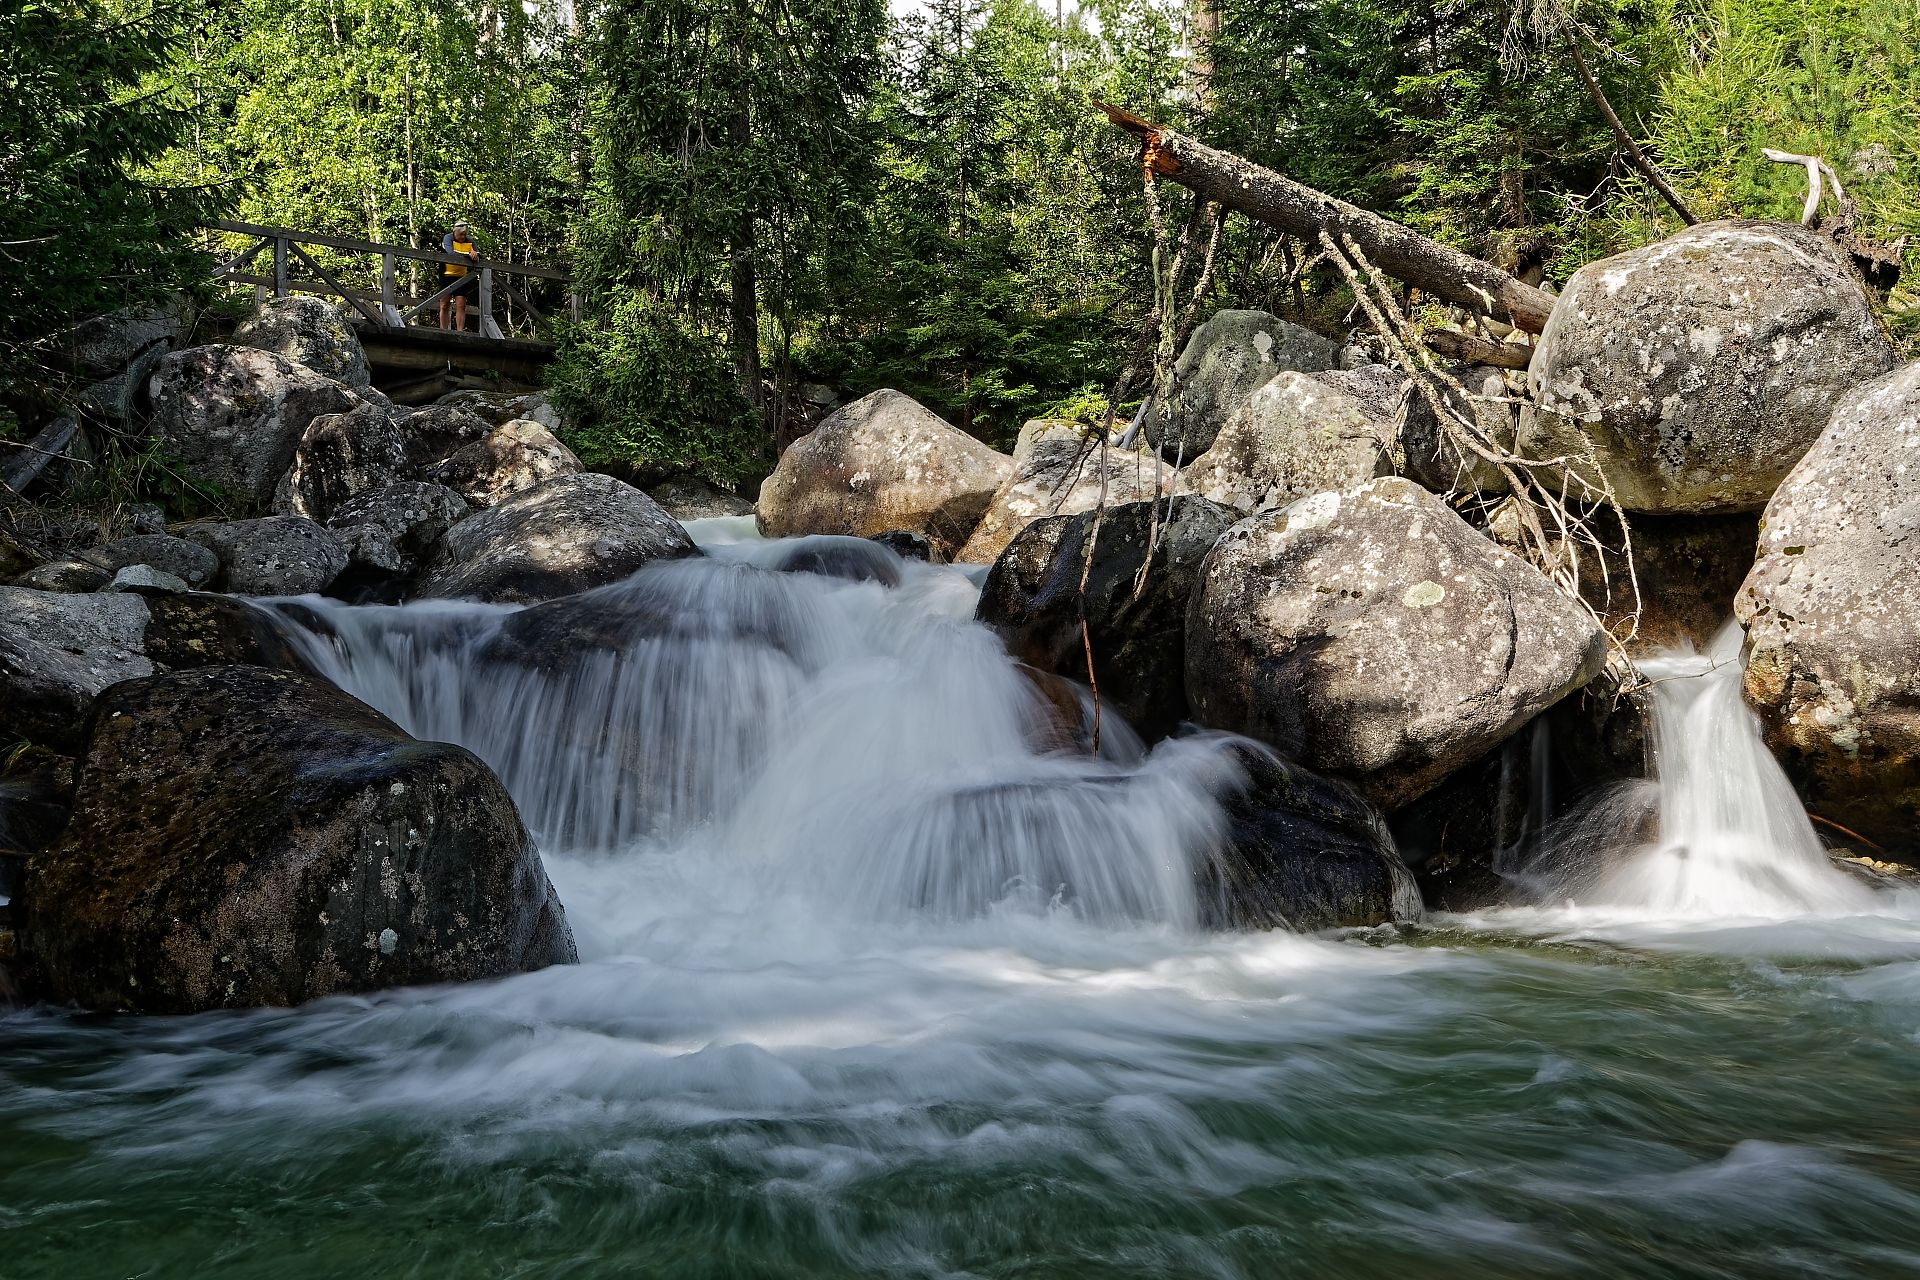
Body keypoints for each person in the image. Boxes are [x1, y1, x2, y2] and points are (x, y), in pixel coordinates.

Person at [438, 222, 480, 331]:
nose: (463, 237)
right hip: (446, 274)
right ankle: (444, 330)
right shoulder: (448, 238)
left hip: (462, 276)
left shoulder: (470, 241)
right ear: (454, 232)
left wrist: (475, 255)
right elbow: (450, 253)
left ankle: (460, 331)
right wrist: (468, 255)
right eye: (460, 234)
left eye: (465, 234)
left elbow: (478, 253)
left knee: (461, 304)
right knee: (444, 304)